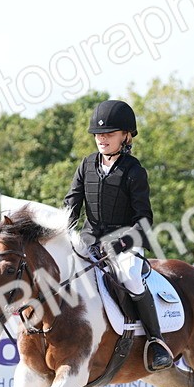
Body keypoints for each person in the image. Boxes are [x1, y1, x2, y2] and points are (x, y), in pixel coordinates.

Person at [64, 99, 172, 372]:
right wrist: (61, 234)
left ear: (126, 136)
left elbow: (144, 221)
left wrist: (117, 244)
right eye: (99, 135)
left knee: (133, 278)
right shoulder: (86, 165)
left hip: (123, 244)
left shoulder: (134, 171)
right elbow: (71, 206)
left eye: (109, 134)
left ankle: (156, 342)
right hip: (88, 241)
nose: (102, 139)